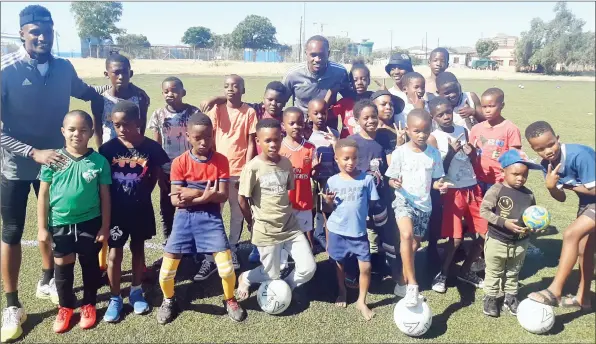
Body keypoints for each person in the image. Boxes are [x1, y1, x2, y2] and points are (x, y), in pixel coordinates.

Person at [0, 5, 118, 340]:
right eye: (34, 31)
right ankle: (12, 304)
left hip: (60, 167)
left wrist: (101, 137)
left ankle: (47, 278)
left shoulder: (63, 68)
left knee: (58, 226)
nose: (41, 37)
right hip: (17, 166)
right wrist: (32, 152)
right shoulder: (5, 69)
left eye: (47, 31)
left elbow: (91, 93)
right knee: (12, 231)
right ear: (22, 33)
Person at [157, 112, 246, 324]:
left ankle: (230, 299)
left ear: (213, 135)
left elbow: (222, 194)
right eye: (198, 138)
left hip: (210, 218)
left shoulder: (221, 161)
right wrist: (205, 196)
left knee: (226, 268)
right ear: (188, 136)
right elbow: (176, 201)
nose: (204, 142)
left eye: (208, 136)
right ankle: (169, 300)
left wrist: (194, 194)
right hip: (183, 218)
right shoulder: (179, 162)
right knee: (167, 271)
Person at [36, 111, 111, 333]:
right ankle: (66, 306)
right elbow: (43, 195)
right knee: (63, 267)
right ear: (63, 131)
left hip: (90, 222)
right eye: (71, 129)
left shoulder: (98, 161)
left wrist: (105, 226)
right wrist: (42, 228)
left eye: (83, 130)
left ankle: (89, 304)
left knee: (89, 265)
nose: (77, 134)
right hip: (60, 223)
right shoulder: (53, 160)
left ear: (90, 133)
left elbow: (106, 196)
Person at [99, 101, 170, 323]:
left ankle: (136, 291)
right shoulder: (108, 149)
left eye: (126, 124)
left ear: (138, 122)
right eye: (116, 125)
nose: (121, 129)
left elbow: (161, 174)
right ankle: (115, 297)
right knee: (114, 254)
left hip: (141, 209)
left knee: (138, 250)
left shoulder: (151, 148)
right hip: (116, 212)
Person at [236, 119, 317, 302]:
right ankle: (246, 277)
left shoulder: (286, 164)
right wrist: (251, 221)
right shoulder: (253, 168)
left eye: (276, 140)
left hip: (290, 226)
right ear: (258, 141)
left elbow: (286, 191)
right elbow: (242, 199)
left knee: (308, 268)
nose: (273, 144)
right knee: (270, 273)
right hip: (266, 230)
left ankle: (286, 286)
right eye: (267, 141)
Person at [525, 121, 595, 310]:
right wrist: (550, 187)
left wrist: (568, 185)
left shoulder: (580, 155)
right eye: (540, 149)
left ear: (557, 138)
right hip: (587, 203)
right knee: (584, 250)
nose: (547, 151)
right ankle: (583, 298)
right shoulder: (545, 165)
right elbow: (561, 198)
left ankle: (555, 290)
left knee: (571, 234)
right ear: (533, 149)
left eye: (550, 144)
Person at [385, 109, 451, 307]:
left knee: (413, 246)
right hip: (404, 201)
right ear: (407, 130)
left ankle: (402, 283)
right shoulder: (399, 153)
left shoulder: (434, 154)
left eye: (425, 131)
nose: (421, 135)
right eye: (416, 131)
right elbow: (391, 178)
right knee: (406, 236)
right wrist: (393, 183)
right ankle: (413, 286)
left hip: (425, 206)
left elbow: (437, 179)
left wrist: (440, 185)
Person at [199, 74, 257, 278]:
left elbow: (251, 143)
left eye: (235, 86)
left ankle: (231, 248)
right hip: (219, 171)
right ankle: (209, 257)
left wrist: (247, 169)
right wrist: (212, 167)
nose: (231, 89)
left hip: (239, 172)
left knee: (237, 213)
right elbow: (211, 140)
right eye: (226, 86)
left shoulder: (249, 111)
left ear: (243, 89)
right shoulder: (217, 109)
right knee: (214, 213)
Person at [426, 97, 486, 293]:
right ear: (433, 117)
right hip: (452, 191)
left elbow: (470, 160)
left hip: (472, 187)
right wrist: (451, 153)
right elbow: (437, 171)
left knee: (485, 234)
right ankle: (442, 273)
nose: (446, 117)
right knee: (456, 239)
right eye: (440, 114)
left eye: (448, 112)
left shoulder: (463, 130)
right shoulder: (433, 137)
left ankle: (466, 270)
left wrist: (471, 153)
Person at [322, 138, 383, 320]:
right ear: (337, 159)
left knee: (365, 267)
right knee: (339, 264)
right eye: (346, 158)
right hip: (337, 232)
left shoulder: (367, 180)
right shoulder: (332, 181)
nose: (350, 162)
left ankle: (361, 301)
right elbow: (327, 210)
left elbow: (372, 204)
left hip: (359, 234)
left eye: (354, 158)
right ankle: (342, 291)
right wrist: (329, 202)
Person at [479, 149, 541, 317]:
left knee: (514, 271)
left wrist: (534, 227)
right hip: (497, 241)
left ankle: (510, 297)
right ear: (503, 171)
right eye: (515, 174)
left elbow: (532, 215)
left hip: (520, 243)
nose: (520, 178)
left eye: (524, 175)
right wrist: (504, 222)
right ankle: (490, 298)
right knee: (494, 271)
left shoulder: (528, 194)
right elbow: (484, 211)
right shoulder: (496, 190)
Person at [148, 76, 200, 245]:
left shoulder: (194, 113)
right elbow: (156, 146)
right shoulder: (158, 114)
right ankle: (169, 240)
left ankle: (191, 241)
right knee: (167, 205)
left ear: (182, 92)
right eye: (166, 91)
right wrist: (158, 172)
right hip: (167, 169)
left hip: (190, 169)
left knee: (190, 204)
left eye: (174, 90)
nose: (170, 94)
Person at [92, 52, 150, 149]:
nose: (121, 77)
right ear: (107, 74)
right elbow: (97, 130)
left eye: (124, 72)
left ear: (130, 73)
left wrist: (140, 147)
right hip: (109, 151)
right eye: (116, 73)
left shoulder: (140, 98)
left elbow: (142, 125)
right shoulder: (100, 100)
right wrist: (101, 151)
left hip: (134, 151)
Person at [469, 88, 522, 194]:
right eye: (484, 107)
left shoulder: (510, 129)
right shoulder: (476, 129)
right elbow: (471, 154)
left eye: (491, 106)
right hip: (477, 179)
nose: (487, 110)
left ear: (502, 105)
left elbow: (514, 158)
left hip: (499, 181)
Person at [283, 35, 351, 114]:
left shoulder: (340, 72)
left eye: (322, 55)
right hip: (302, 124)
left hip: (328, 123)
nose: (317, 59)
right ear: (306, 54)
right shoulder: (293, 74)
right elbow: (280, 100)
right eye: (313, 55)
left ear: (328, 54)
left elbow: (350, 98)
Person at [279, 107, 317, 246]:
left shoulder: (310, 148)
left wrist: (315, 169)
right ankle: (283, 265)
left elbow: (312, 174)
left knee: (304, 235)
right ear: (283, 126)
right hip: (283, 201)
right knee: (283, 237)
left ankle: (308, 259)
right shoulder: (278, 147)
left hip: (303, 200)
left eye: (300, 123)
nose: (296, 126)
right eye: (292, 123)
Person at [307, 98, 340, 250]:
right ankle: (310, 238)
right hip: (312, 178)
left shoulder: (333, 133)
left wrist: (335, 143)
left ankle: (322, 233)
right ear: (309, 115)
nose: (320, 116)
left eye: (323, 113)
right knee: (312, 208)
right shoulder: (306, 134)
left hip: (330, 177)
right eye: (316, 113)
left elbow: (339, 155)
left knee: (326, 207)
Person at [329, 58, 374, 138]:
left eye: (363, 79)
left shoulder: (374, 100)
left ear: (369, 81)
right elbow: (325, 113)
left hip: (367, 144)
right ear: (350, 83)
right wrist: (331, 92)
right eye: (355, 80)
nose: (359, 83)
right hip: (347, 145)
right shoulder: (344, 102)